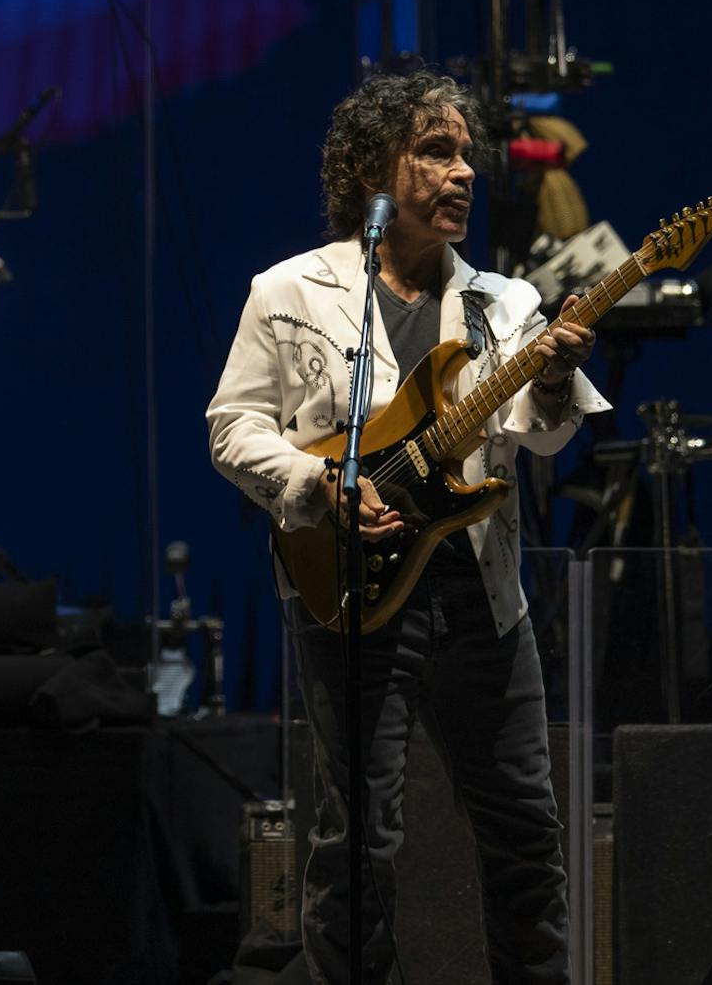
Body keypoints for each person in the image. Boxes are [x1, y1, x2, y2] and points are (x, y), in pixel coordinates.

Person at [206, 70, 608, 983]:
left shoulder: (502, 305)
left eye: (467, 153)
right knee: (359, 839)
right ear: (369, 168)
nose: (463, 171)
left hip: (480, 592)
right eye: (437, 150)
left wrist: (548, 376)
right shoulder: (290, 291)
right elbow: (234, 427)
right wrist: (319, 482)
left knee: (524, 829)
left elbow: (541, 435)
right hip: (350, 586)